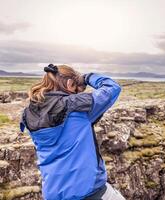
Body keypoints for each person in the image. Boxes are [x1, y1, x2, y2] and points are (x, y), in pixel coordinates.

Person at [19, 64, 126, 200]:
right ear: (69, 84)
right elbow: (112, 88)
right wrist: (88, 78)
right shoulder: (77, 106)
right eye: (76, 88)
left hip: (53, 193)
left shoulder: (29, 113)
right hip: (89, 192)